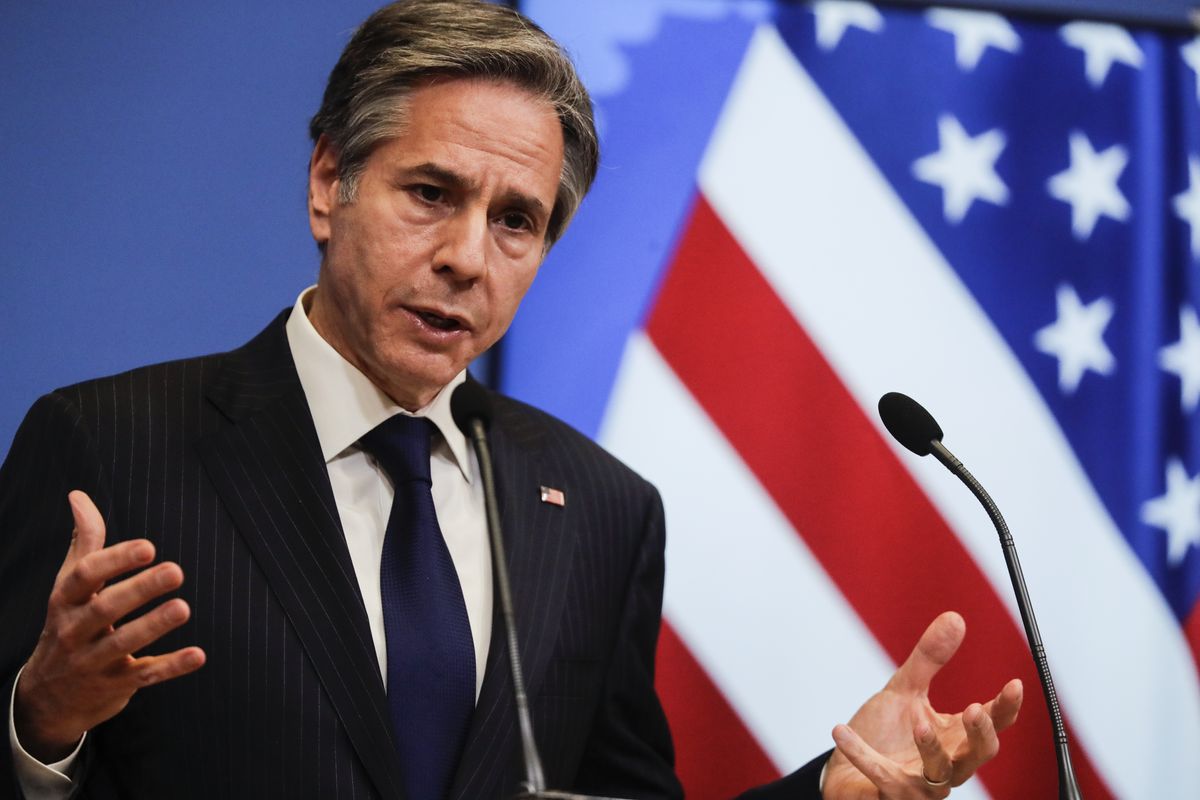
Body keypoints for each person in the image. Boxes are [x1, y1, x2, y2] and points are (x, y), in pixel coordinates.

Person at [0, 1, 1022, 798]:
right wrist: (41, 721)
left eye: (516, 221)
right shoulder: (112, 447)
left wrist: (832, 788)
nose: (464, 257)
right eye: (431, 193)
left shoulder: (600, 508)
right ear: (328, 184)